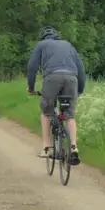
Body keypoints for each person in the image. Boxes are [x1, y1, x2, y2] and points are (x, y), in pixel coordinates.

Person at [26, 25, 84, 164]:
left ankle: (47, 148)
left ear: (43, 37)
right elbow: (80, 68)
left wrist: (31, 87)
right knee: (69, 115)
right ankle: (74, 147)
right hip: (72, 78)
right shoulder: (68, 45)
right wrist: (80, 89)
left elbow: (32, 67)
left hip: (52, 77)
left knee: (47, 111)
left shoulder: (41, 44)